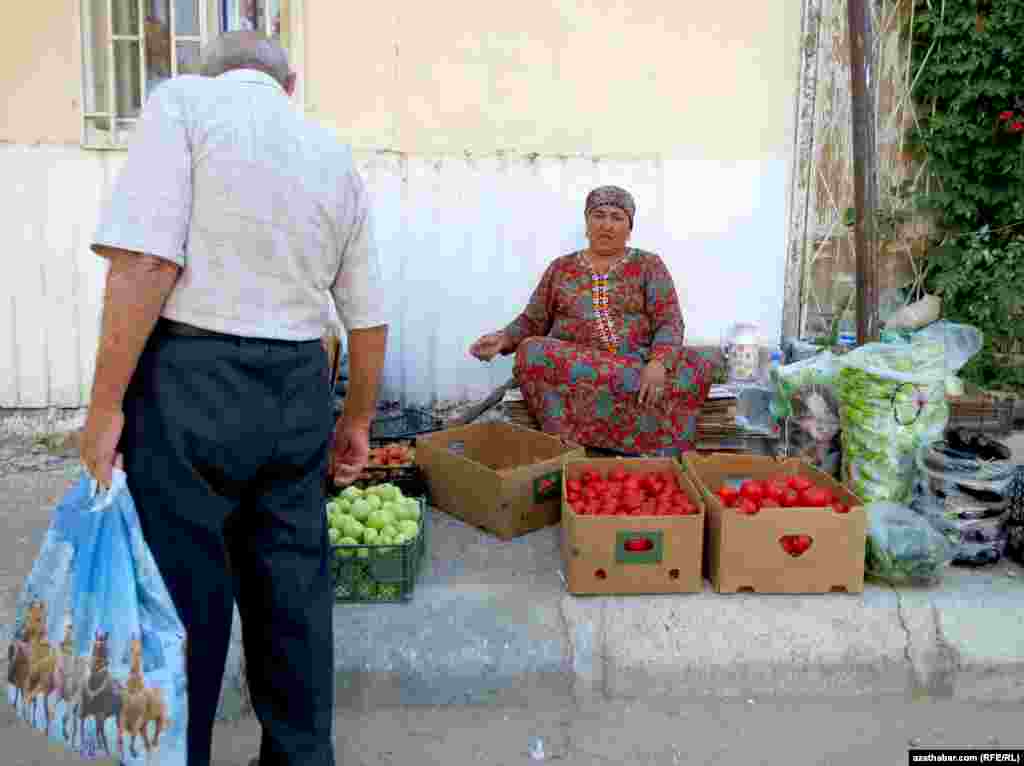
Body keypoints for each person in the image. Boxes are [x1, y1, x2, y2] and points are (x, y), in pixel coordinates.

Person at [78, 31, 388, 766]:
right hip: (296, 390)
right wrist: (358, 420)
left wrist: (103, 409)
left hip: (192, 379)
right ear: (289, 84)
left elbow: (147, 260)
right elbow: (367, 314)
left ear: (209, 72)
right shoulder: (328, 149)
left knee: (183, 592)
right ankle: (301, 755)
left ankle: (173, 754)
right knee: (293, 591)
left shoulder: (182, 103)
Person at [469, 186, 711, 457]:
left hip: (634, 368)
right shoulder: (561, 269)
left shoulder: (649, 265)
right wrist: (503, 339)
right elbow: (532, 320)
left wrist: (658, 363)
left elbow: (669, 321)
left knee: (696, 365)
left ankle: (637, 441)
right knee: (532, 350)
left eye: (617, 217)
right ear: (587, 223)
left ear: (629, 228)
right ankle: (575, 441)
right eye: (599, 215)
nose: (606, 224)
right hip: (579, 373)